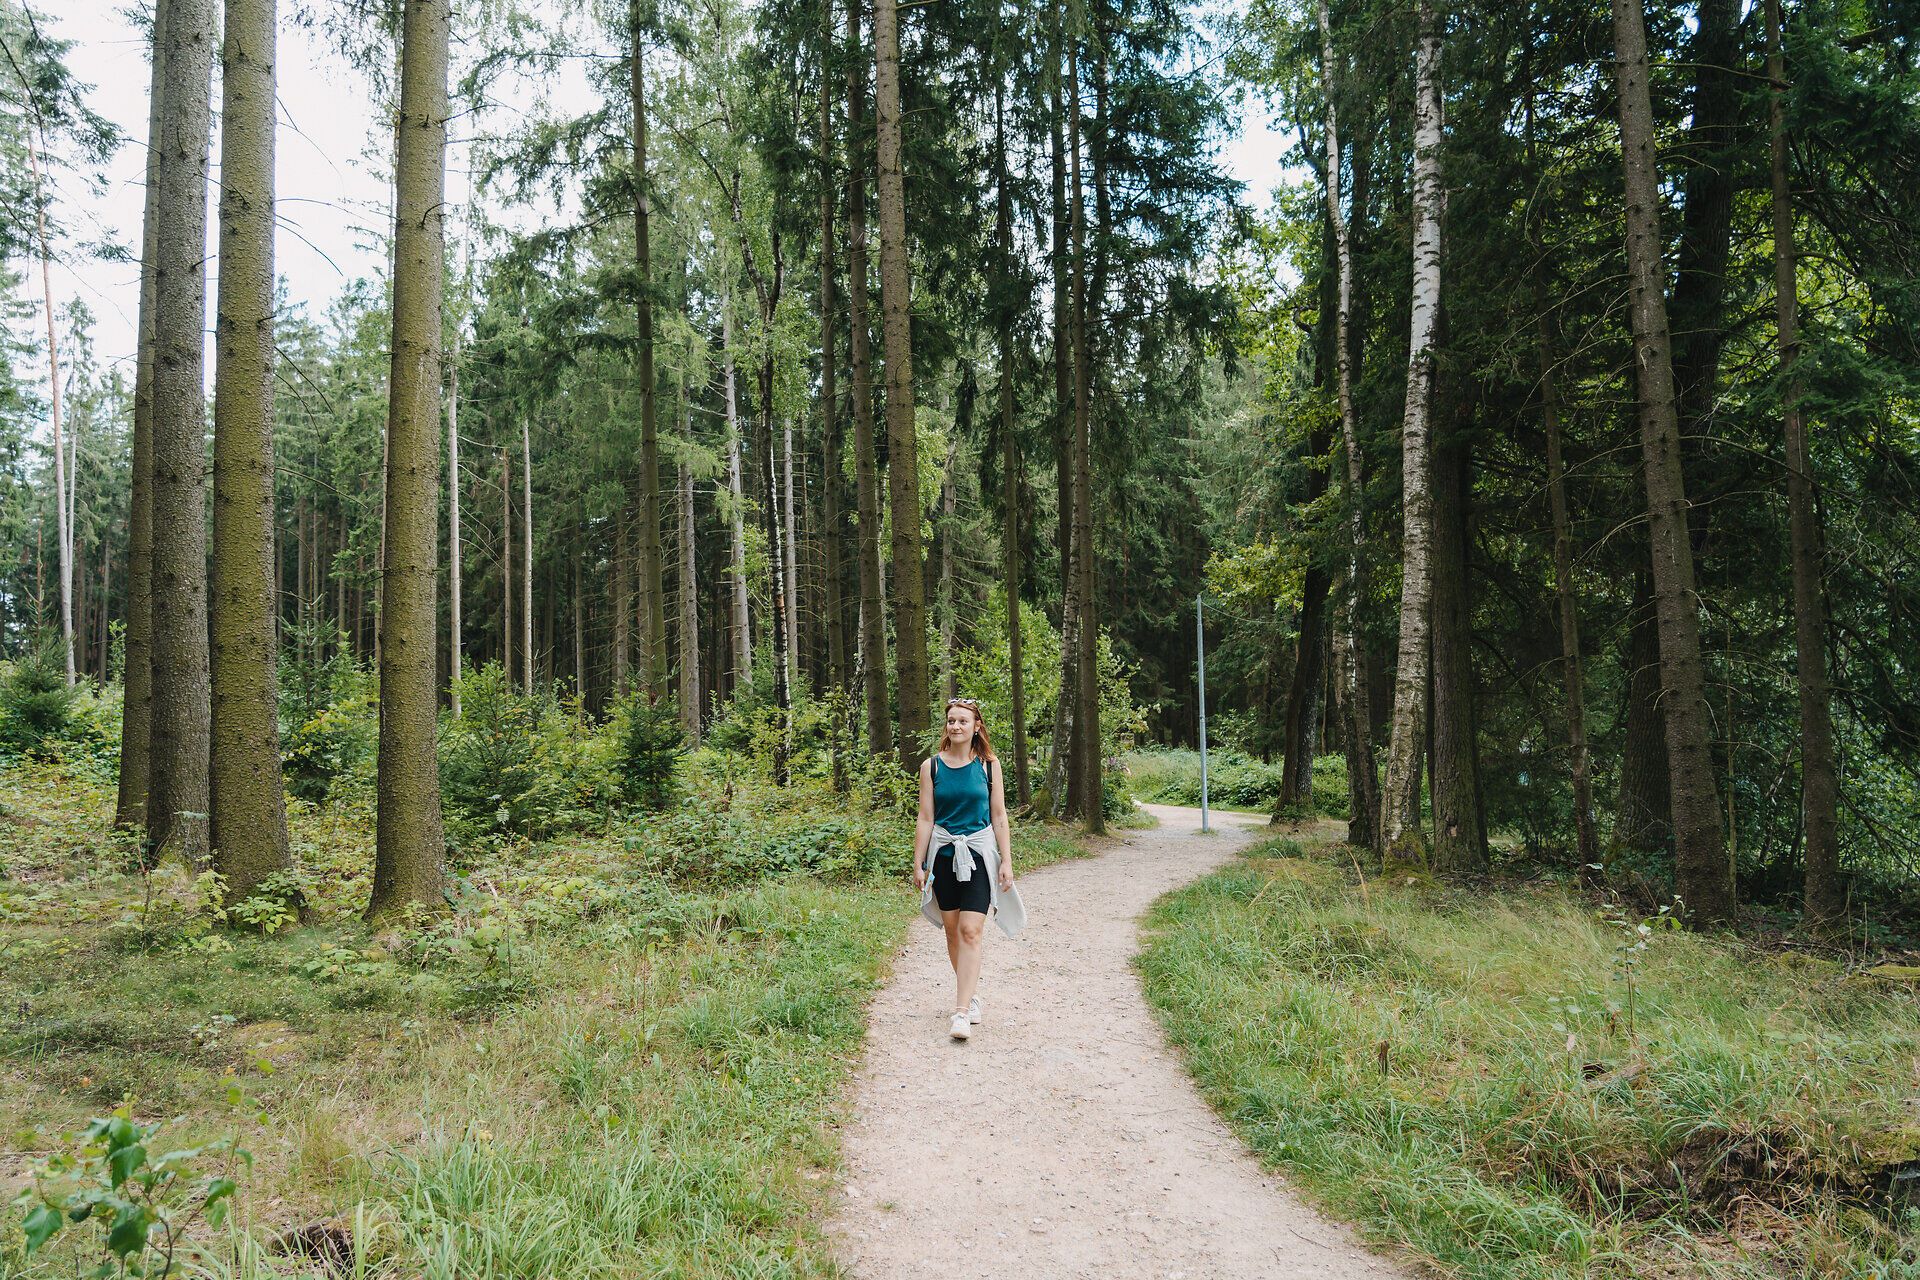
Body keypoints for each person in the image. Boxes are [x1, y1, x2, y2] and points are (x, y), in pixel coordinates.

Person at [912, 697, 1021, 1041]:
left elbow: (999, 815)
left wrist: (1006, 859)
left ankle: (960, 1013)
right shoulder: (931, 767)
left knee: (971, 931)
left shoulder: (989, 766)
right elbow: (926, 817)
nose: (956, 726)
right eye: (951, 721)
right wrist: (918, 862)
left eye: (963, 721)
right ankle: (970, 993)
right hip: (943, 856)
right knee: (952, 930)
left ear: (977, 727)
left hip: (978, 854)